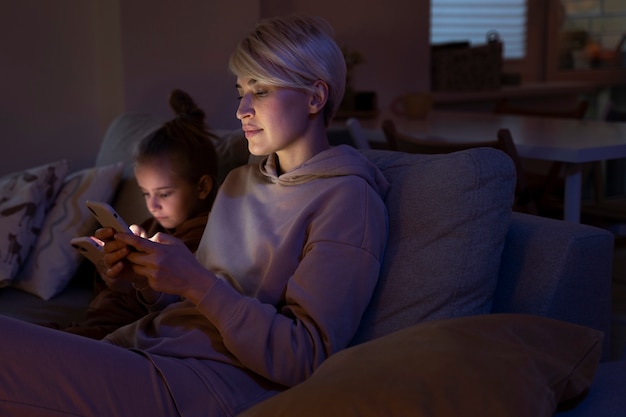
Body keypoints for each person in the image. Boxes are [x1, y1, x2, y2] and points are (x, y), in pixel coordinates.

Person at [0, 14, 389, 416]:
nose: (241, 110)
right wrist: (147, 279)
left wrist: (195, 281)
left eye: (260, 90)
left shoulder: (348, 200)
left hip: (204, 383)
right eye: (241, 90)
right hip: (144, 351)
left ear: (314, 97)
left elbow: (304, 356)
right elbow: (192, 300)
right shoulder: (240, 181)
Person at [61, 88, 219, 339]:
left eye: (164, 193)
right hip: (90, 325)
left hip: (117, 336)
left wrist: (137, 279)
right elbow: (106, 297)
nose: (153, 205)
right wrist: (107, 271)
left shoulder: (209, 237)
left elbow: (172, 304)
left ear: (202, 187)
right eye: (146, 194)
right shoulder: (149, 226)